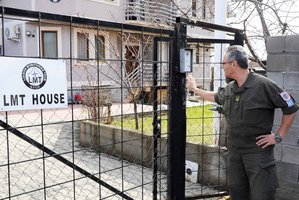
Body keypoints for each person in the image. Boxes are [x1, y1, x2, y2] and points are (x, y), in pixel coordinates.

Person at [186, 45, 299, 200]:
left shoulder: (263, 85)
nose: (222, 66)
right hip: (235, 154)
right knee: (237, 194)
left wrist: (278, 136)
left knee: (262, 195)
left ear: (234, 64)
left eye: (223, 63)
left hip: (258, 155)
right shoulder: (230, 88)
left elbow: (290, 107)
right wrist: (194, 89)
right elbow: (214, 96)